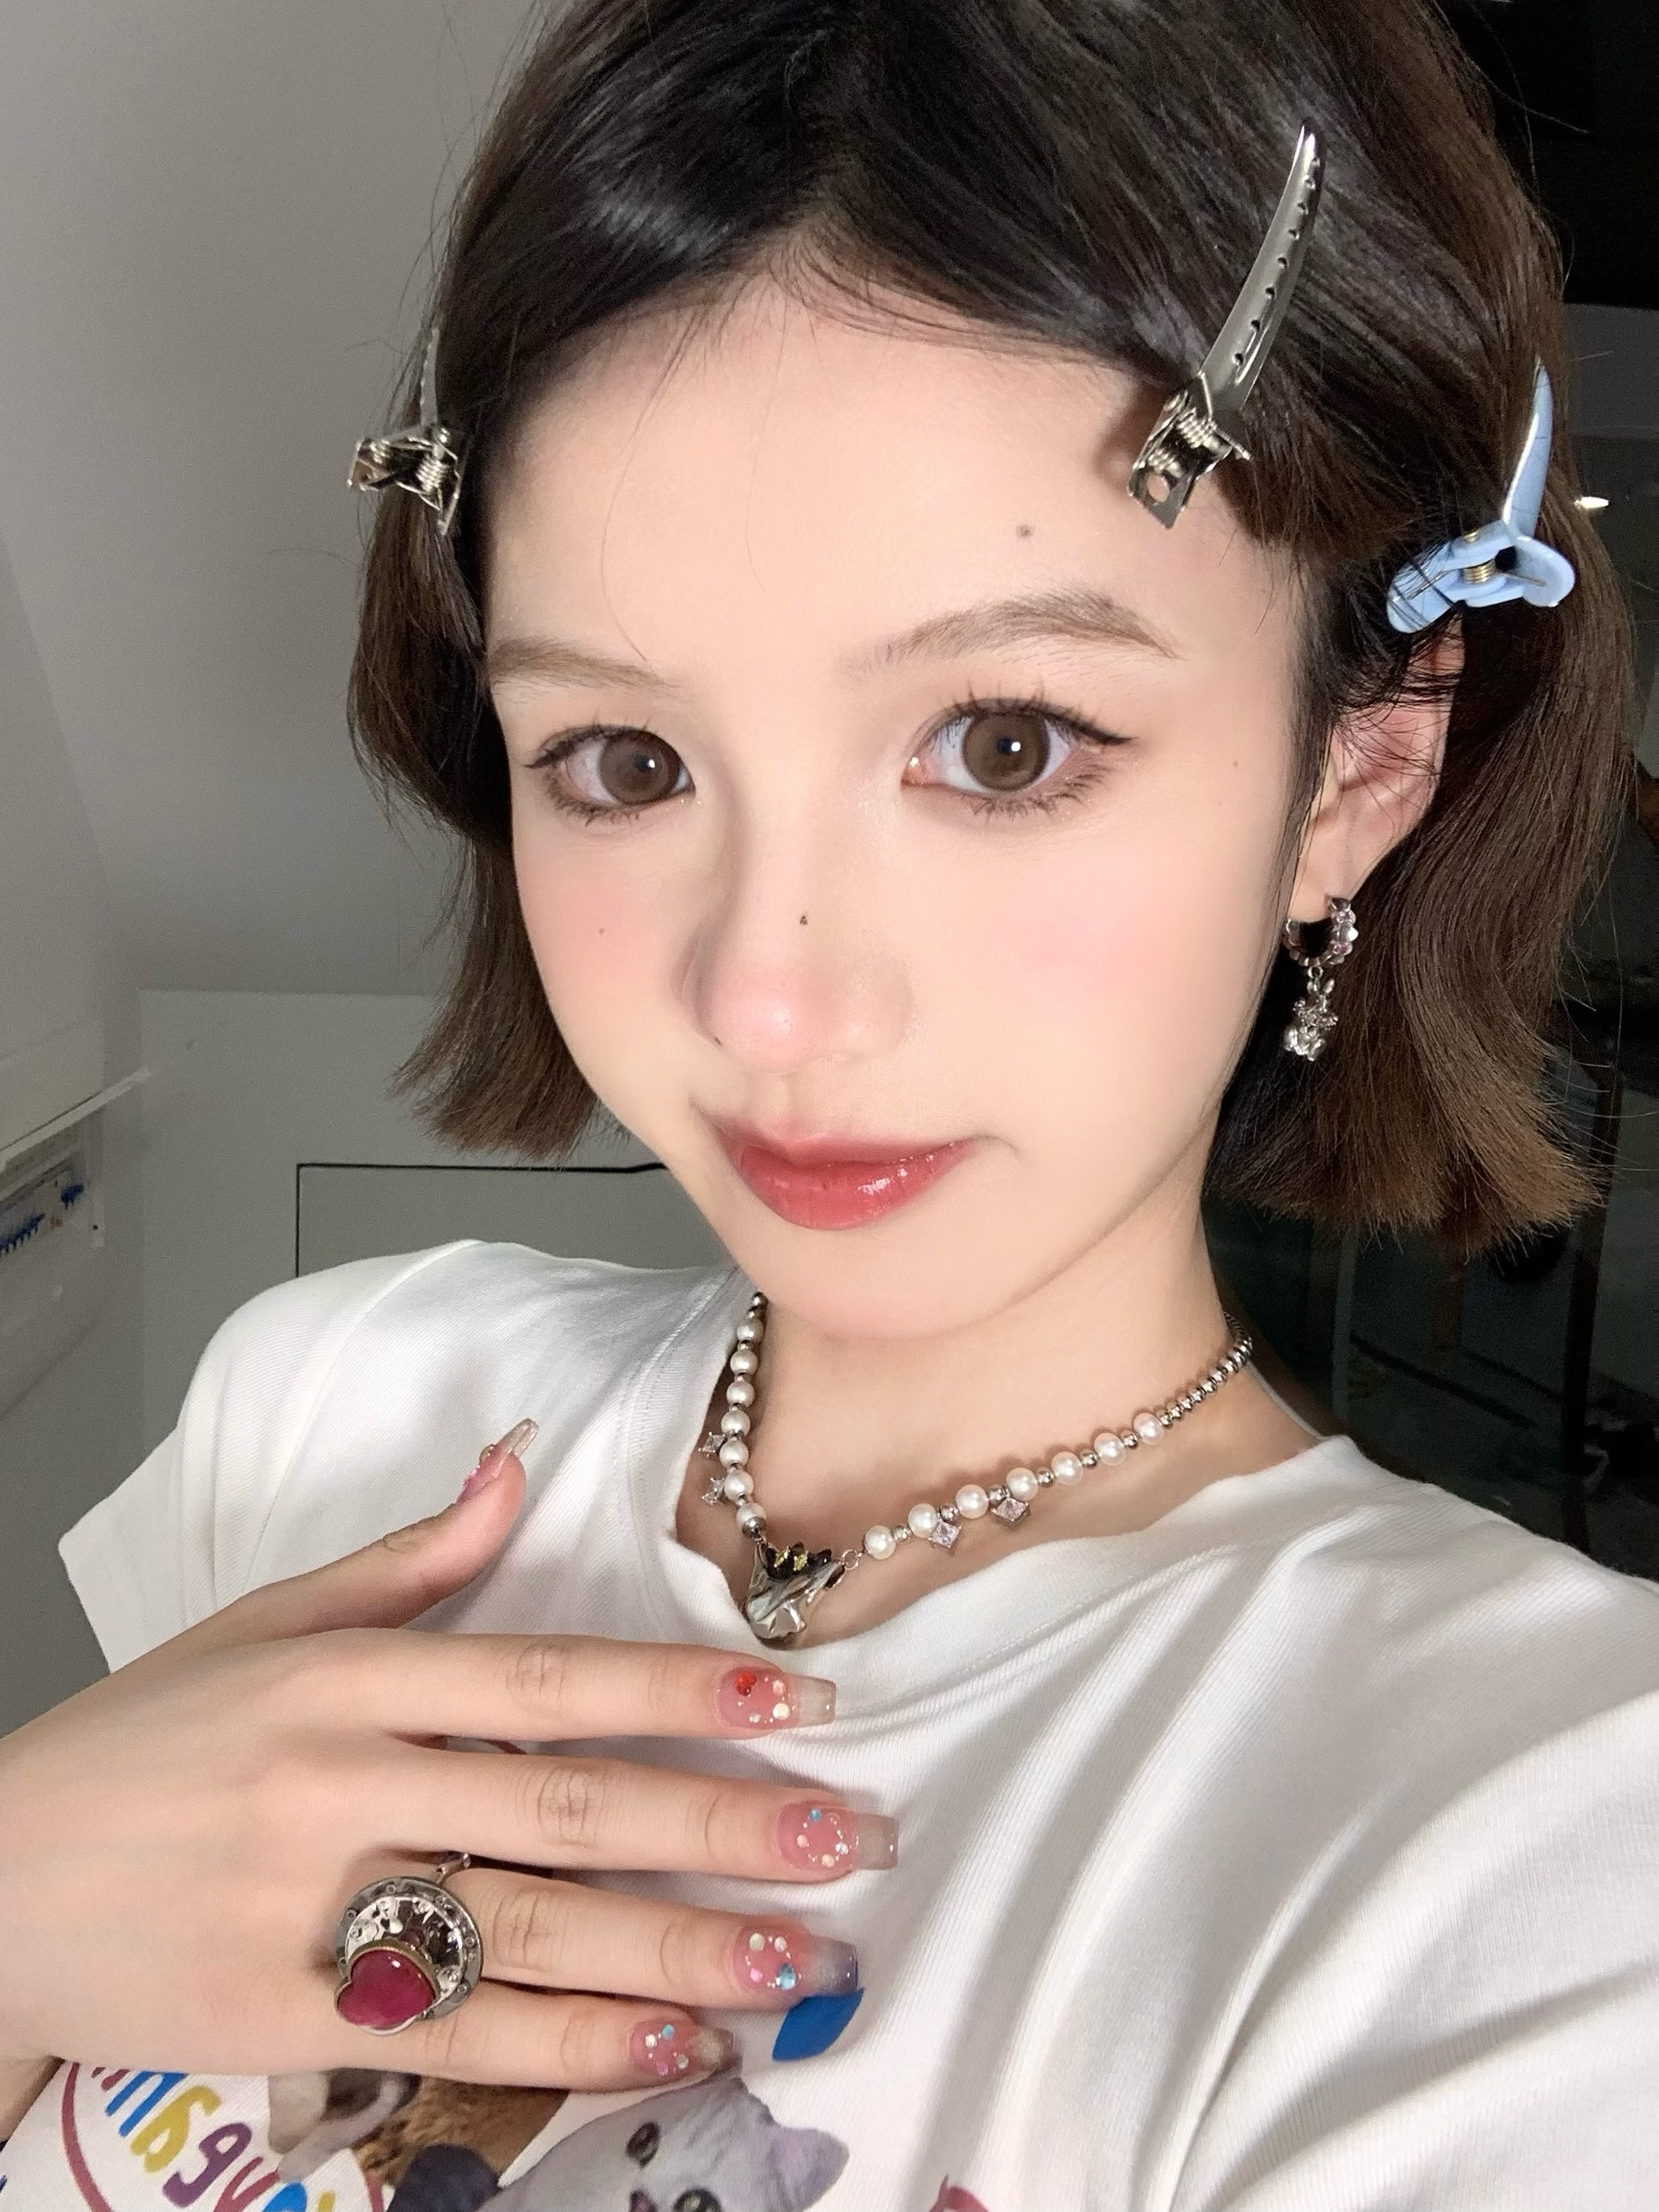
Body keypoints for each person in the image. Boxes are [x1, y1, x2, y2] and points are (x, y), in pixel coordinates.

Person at [1, 0, 1655, 2205]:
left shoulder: (1538, 1852)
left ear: (1355, 774)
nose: (766, 995)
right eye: (625, 761)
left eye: (1004, 744)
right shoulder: (334, 1410)